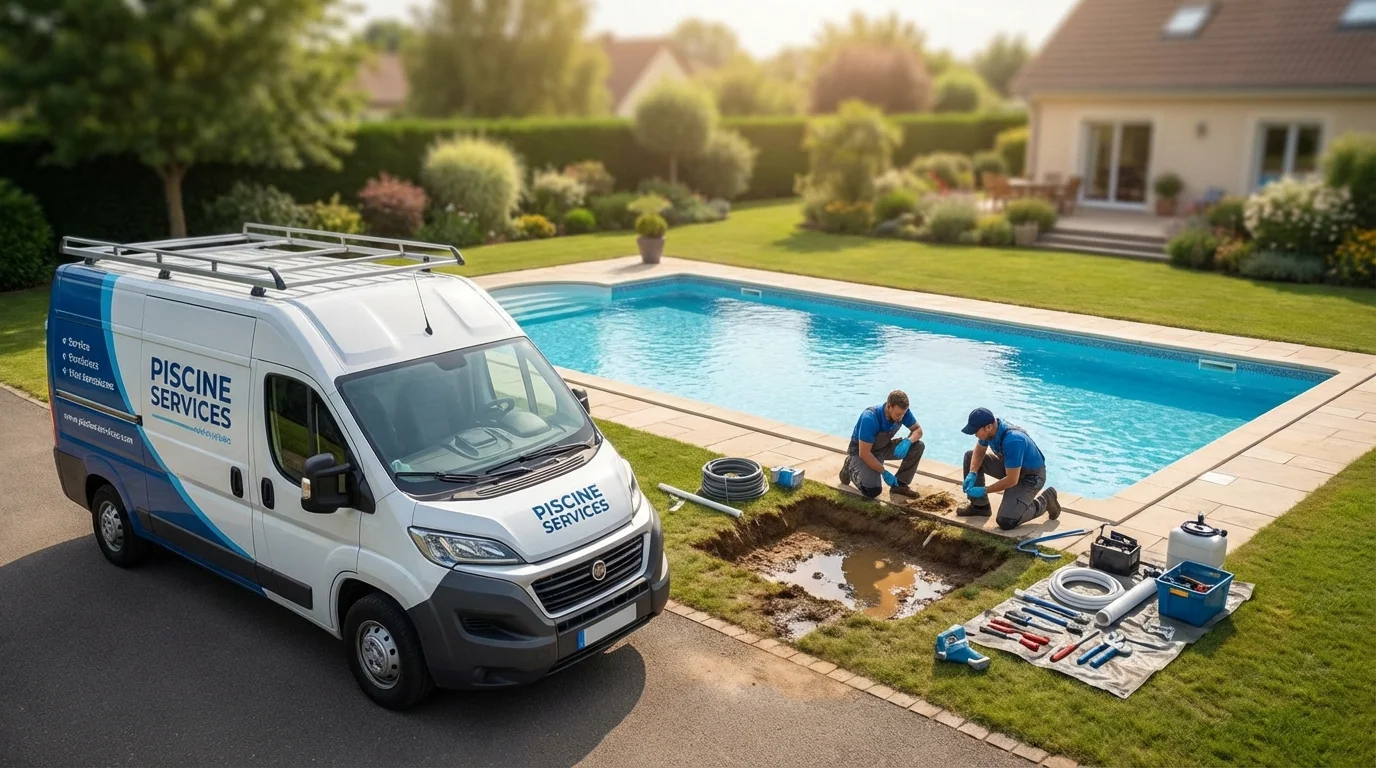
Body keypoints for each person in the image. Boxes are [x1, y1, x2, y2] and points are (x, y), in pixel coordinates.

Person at [957, 407, 1060, 530]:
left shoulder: (1013, 440)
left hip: (1031, 477)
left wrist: (984, 490)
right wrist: (972, 472)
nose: (975, 435)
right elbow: (979, 449)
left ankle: (1046, 500)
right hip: (1011, 468)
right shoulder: (990, 430)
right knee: (970, 457)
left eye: (976, 431)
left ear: (988, 427)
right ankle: (980, 507)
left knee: (1006, 521)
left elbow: (1012, 480)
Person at [839, 390, 924, 499]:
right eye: (898, 415)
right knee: (872, 491)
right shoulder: (870, 418)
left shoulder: (903, 412)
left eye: (903, 414)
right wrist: (884, 472)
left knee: (918, 446)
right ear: (889, 406)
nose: (901, 418)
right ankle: (850, 465)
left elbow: (918, 430)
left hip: (883, 448)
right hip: (862, 452)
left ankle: (899, 486)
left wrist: (909, 441)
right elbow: (864, 453)